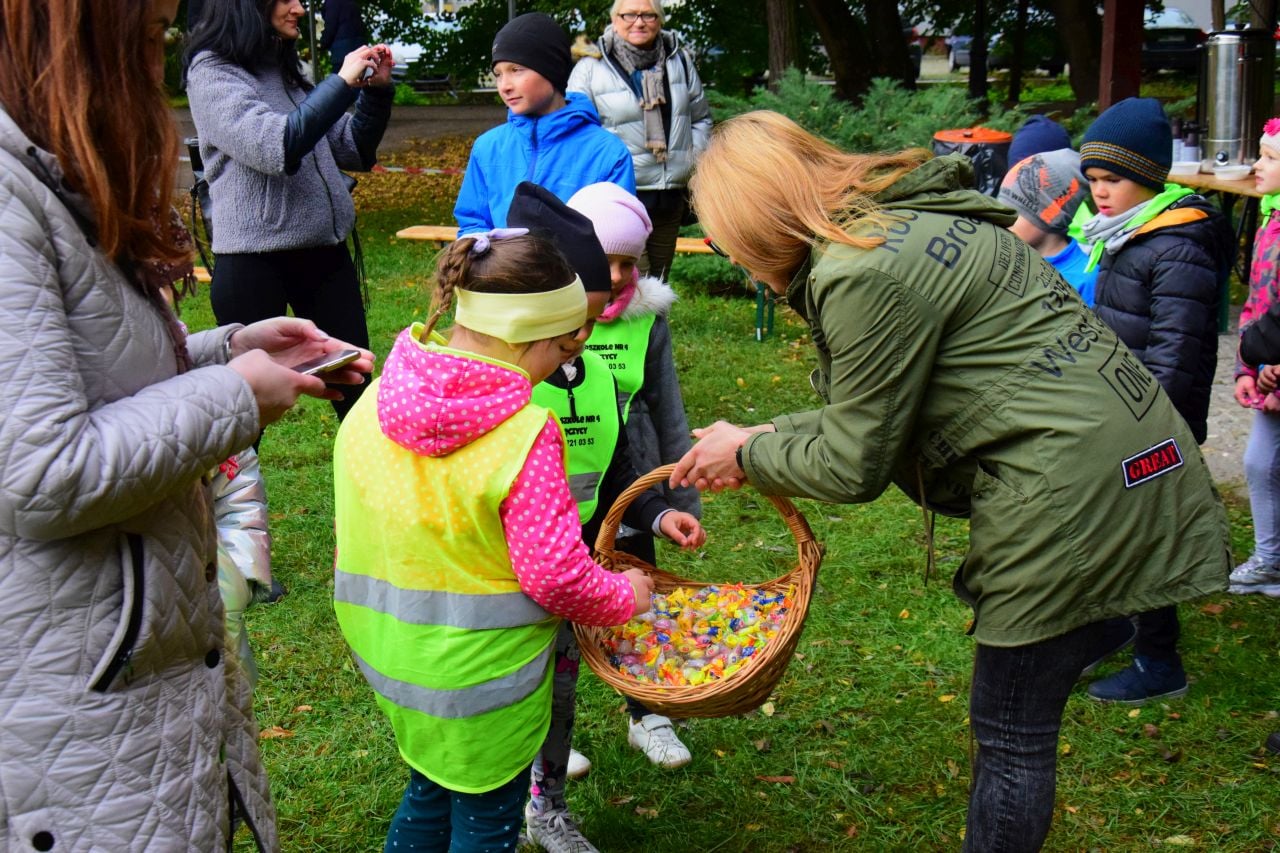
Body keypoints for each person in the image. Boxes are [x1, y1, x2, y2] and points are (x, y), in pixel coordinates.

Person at [669, 110, 1230, 853]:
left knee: (1010, 732)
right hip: (1125, 460)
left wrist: (745, 458)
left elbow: (850, 463)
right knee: (1015, 721)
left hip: (1070, 497)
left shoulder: (860, 272)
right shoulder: (908, 225)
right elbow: (875, 410)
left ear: (758, 218)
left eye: (729, 240)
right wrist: (760, 436)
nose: (737, 262)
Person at [0, 0, 375, 846]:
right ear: (77, 36)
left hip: (144, 665)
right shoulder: (9, 195)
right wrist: (234, 394)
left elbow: (88, 372)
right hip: (76, 688)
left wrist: (228, 349)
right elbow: (37, 469)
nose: (159, 55)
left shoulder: (46, 171)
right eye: (145, 33)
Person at [331, 229, 654, 853]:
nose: (561, 367)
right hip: (484, 682)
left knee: (431, 786)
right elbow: (555, 575)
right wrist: (625, 595)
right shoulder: (522, 435)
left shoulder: (377, 400)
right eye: (560, 349)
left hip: (395, 662)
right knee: (486, 821)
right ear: (524, 336)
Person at [507, 183, 704, 853]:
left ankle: (548, 803)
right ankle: (510, 789)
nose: (584, 335)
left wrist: (657, 511)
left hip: (577, 554)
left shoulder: (591, 374)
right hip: (511, 566)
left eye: (589, 322)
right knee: (519, 689)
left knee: (560, 689)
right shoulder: (509, 381)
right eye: (574, 321)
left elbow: (618, 464)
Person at [1078, 97, 1235, 706]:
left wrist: (1144, 426)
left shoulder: (1177, 246)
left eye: (1112, 179)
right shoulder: (1130, 236)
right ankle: (1122, 625)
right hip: (1123, 414)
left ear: (1146, 177)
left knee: (1147, 537)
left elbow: (1174, 352)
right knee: (1117, 528)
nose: (1100, 193)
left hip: (1153, 424)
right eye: (1092, 180)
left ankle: (1159, 660)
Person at [185, 0, 394, 420]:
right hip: (253, 263)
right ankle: (232, 487)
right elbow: (275, 147)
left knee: (357, 391)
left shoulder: (287, 70)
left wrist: (375, 92)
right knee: (244, 410)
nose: (299, 7)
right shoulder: (212, 71)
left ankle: (371, 484)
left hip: (324, 255)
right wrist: (341, 83)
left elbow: (352, 147)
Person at [566, 180, 703, 766]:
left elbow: (666, 405)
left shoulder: (647, 319)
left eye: (631, 262)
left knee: (634, 595)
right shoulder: (553, 313)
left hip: (631, 479)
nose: (620, 276)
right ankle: (550, 734)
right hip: (562, 483)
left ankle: (648, 712)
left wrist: (676, 496)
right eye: (607, 261)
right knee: (556, 609)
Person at [453, 12, 636, 234]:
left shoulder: (607, 153)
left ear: (552, 70)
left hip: (574, 270)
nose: (505, 85)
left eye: (516, 70)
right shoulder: (488, 147)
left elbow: (617, 237)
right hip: (500, 270)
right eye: (498, 74)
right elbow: (473, 224)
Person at [568, 0, 712, 278]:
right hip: (620, 193)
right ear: (614, 19)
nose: (639, 22)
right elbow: (579, 132)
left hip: (669, 193)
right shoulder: (591, 66)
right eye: (630, 14)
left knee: (658, 281)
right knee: (634, 281)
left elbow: (700, 118)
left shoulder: (678, 60)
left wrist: (692, 158)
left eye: (648, 15)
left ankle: (657, 324)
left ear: (659, 19)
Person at [1229, 117, 1280, 600]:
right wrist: (1248, 366)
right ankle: (1270, 559)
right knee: (1260, 464)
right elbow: (1256, 303)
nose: (1256, 165)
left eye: (1268, 158)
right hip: (1267, 369)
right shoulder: (1269, 217)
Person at [998, 149, 1097, 305]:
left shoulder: (1085, 279)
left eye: (1015, 212)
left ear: (1053, 216)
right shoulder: (1000, 259)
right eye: (999, 208)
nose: (1002, 219)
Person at [320, 0, 367, 72]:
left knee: (341, 79)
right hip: (359, 48)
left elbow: (331, 26)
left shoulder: (332, 2)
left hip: (343, 51)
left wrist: (322, 44)